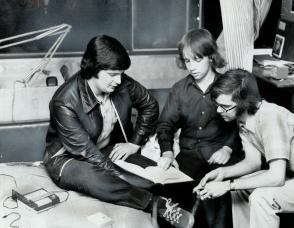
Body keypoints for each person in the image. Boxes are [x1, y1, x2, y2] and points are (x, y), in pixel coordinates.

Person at [43, 35, 194, 228]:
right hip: (68, 159)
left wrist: (134, 143)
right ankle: (155, 204)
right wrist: (127, 179)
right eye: (113, 74)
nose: (119, 80)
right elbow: (88, 154)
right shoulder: (64, 101)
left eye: (121, 73)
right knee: (94, 178)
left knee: (159, 176)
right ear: (93, 69)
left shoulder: (120, 82)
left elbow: (149, 105)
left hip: (107, 149)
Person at [194, 68, 294, 228]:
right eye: (217, 105)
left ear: (244, 102)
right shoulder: (243, 119)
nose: (218, 110)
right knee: (241, 187)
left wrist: (227, 185)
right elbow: (253, 162)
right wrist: (223, 174)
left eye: (225, 106)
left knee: (262, 198)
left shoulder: (270, 118)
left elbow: (276, 177)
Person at [156, 29, 242, 228]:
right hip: (189, 154)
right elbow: (165, 124)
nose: (191, 67)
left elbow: (243, 124)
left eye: (197, 59)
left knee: (216, 202)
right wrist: (167, 152)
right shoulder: (179, 89)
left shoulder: (229, 86)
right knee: (169, 202)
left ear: (211, 56)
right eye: (187, 61)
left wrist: (228, 148)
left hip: (219, 153)